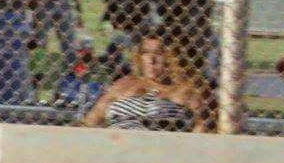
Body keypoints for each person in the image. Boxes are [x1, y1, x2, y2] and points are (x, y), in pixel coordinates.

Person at [82, 33, 210, 132]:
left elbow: (203, 128)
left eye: (159, 53)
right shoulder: (123, 84)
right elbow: (91, 121)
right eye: (145, 52)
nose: (151, 60)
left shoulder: (187, 90)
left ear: (173, 57)